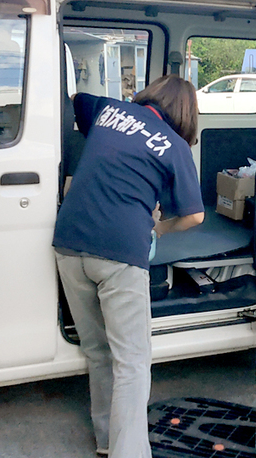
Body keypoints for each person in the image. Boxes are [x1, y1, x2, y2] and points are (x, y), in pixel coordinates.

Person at [54, 75, 205, 458]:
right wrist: (157, 228)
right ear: (186, 115)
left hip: (69, 244)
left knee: (99, 351)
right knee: (133, 363)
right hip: (120, 253)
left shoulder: (109, 109)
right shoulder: (173, 146)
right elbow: (195, 216)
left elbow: (75, 99)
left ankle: (107, 442)